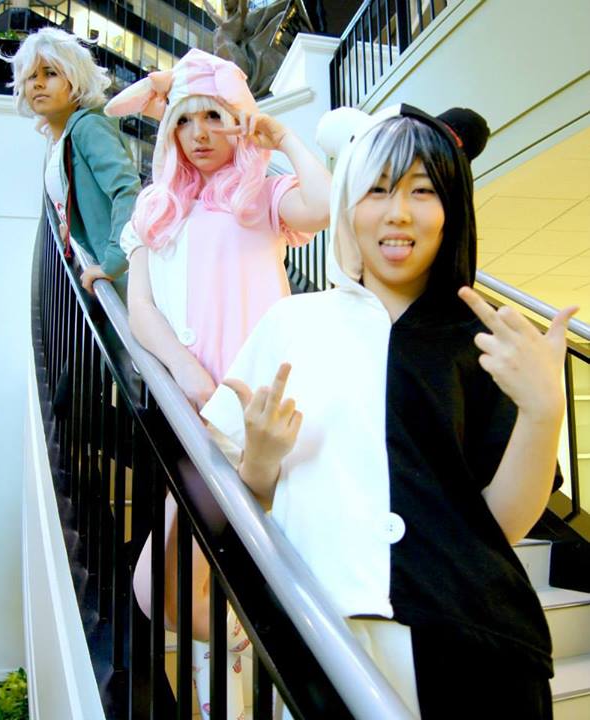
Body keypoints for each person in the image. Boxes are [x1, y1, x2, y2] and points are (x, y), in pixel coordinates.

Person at [201, 103, 577, 718]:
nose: (398, 212)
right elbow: (230, 497)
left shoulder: (486, 340)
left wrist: (543, 410)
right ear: (347, 204)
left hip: (476, 646)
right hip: (325, 638)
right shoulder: (291, 323)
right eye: (376, 189)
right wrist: (259, 465)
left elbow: (499, 525)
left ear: (452, 210)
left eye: (423, 191)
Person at [104, 47, 330, 718]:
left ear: (239, 121)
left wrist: (283, 138)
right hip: (197, 412)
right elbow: (141, 311)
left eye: (214, 116)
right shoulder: (156, 208)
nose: (198, 133)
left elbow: (324, 206)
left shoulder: (261, 193)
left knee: (252, 559)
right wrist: (189, 373)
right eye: (184, 118)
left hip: (264, 411)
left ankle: (280, 664)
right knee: (167, 585)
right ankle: (258, 650)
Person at [0, 27, 141, 296]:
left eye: (50, 73)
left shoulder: (89, 127)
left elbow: (128, 191)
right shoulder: (59, 141)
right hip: (95, 279)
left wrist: (113, 262)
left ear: (76, 78)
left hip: (121, 279)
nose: (38, 83)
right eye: (31, 76)